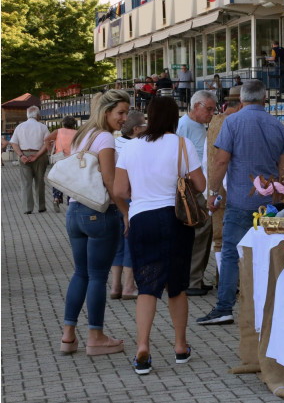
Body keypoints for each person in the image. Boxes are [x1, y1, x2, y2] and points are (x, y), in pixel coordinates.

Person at [114, 96, 205, 375]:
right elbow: (200, 185)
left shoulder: (131, 147)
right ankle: (180, 346)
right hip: (176, 218)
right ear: (175, 118)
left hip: (142, 219)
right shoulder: (182, 144)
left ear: (149, 117)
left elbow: (119, 190)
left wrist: (139, 197)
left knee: (147, 285)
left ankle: (143, 347)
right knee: (176, 286)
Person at [198, 79, 284, 325]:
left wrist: (213, 192)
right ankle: (269, 308)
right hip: (270, 203)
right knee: (268, 255)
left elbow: (220, 162)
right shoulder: (279, 126)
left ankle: (224, 307)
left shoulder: (233, 122)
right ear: (264, 100)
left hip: (240, 200)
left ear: (241, 100)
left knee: (230, 254)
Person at [59, 89, 130, 357]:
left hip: (74, 211)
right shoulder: (105, 140)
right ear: (107, 111)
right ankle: (96, 337)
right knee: (98, 277)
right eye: (121, 112)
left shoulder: (82, 135)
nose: (125, 118)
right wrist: (125, 211)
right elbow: (111, 183)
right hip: (99, 213)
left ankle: (68, 336)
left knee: (81, 273)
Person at [176, 90, 217, 296]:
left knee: (205, 232)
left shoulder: (197, 125)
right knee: (201, 230)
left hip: (201, 183)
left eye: (213, 109)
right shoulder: (185, 125)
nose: (212, 113)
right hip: (195, 185)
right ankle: (193, 280)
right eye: (208, 109)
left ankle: (196, 278)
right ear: (196, 106)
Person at [202, 85, 243, 289]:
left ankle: (224, 282)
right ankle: (234, 283)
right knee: (236, 238)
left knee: (219, 239)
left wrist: (211, 190)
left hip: (214, 187)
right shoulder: (235, 123)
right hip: (233, 188)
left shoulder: (213, 123)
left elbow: (207, 160)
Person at [110, 111, 146, 301]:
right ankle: (129, 286)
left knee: (118, 242)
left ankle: (115, 286)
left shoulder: (115, 143)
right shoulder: (138, 146)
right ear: (136, 129)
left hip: (114, 198)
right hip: (132, 197)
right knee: (131, 241)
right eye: (144, 126)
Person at [10, 106, 50, 214]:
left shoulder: (19, 127)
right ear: (37, 115)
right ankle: (41, 207)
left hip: (24, 155)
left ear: (27, 115)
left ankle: (28, 208)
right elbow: (47, 144)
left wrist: (21, 155)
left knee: (26, 183)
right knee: (40, 182)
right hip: (39, 155)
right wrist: (37, 155)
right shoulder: (43, 127)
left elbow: (14, 143)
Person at [39, 115, 77, 212]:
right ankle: (70, 201)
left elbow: (47, 139)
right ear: (74, 124)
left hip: (59, 159)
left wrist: (51, 150)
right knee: (71, 181)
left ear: (63, 123)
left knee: (58, 180)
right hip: (72, 159)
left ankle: (57, 198)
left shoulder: (58, 131)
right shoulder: (77, 133)